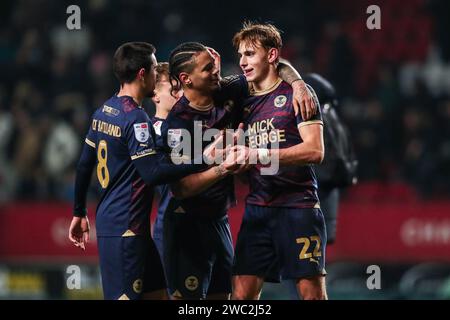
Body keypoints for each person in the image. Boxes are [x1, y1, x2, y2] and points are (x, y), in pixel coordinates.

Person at [68, 42, 237, 300]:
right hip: (126, 228)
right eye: (156, 68)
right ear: (142, 74)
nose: (159, 74)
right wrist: (205, 158)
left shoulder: (103, 112)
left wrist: (79, 211)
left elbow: (83, 165)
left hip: (129, 227)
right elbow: (153, 174)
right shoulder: (136, 120)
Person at [161, 41, 316, 300]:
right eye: (207, 68)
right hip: (187, 225)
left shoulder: (227, 90)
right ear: (187, 79)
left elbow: (273, 66)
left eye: (214, 65)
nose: (216, 72)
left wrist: (299, 84)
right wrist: (222, 168)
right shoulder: (177, 126)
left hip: (219, 221)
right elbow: (182, 188)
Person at [230, 22, 328, 300]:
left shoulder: (298, 95)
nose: (242, 62)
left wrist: (258, 155)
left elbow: (315, 151)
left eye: (249, 54)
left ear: (272, 55)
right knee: (240, 298)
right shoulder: (241, 99)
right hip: (257, 208)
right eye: (240, 55)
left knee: (311, 296)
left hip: (298, 207)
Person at [284, 73, 358, 299]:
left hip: (312, 204)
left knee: (299, 271)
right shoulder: (335, 117)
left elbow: (323, 164)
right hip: (325, 203)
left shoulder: (318, 119)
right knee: (309, 269)